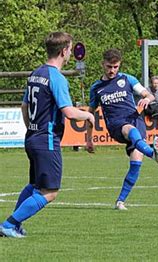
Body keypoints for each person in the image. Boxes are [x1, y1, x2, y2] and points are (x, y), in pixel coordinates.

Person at [0, 32, 95, 238]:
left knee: (35, 185)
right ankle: (9, 224)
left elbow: (24, 106)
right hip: (47, 140)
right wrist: (88, 115)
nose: (70, 53)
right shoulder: (56, 77)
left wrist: (32, 129)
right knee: (50, 192)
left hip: (33, 137)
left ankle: (14, 225)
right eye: (69, 49)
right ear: (63, 51)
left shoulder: (36, 73)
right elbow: (69, 112)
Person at [86, 48, 158, 211]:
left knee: (136, 164)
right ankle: (152, 152)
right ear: (103, 64)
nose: (112, 70)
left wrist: (146, 100)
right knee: (129, 129)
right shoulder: (96, 88)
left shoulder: (128, 79)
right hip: (116, 125)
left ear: (119, 65)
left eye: (115, 67)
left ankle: (120, 201)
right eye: (109, 67)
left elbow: (148, 95)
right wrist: (88, 139)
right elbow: (90, 114)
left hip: (136, 120)